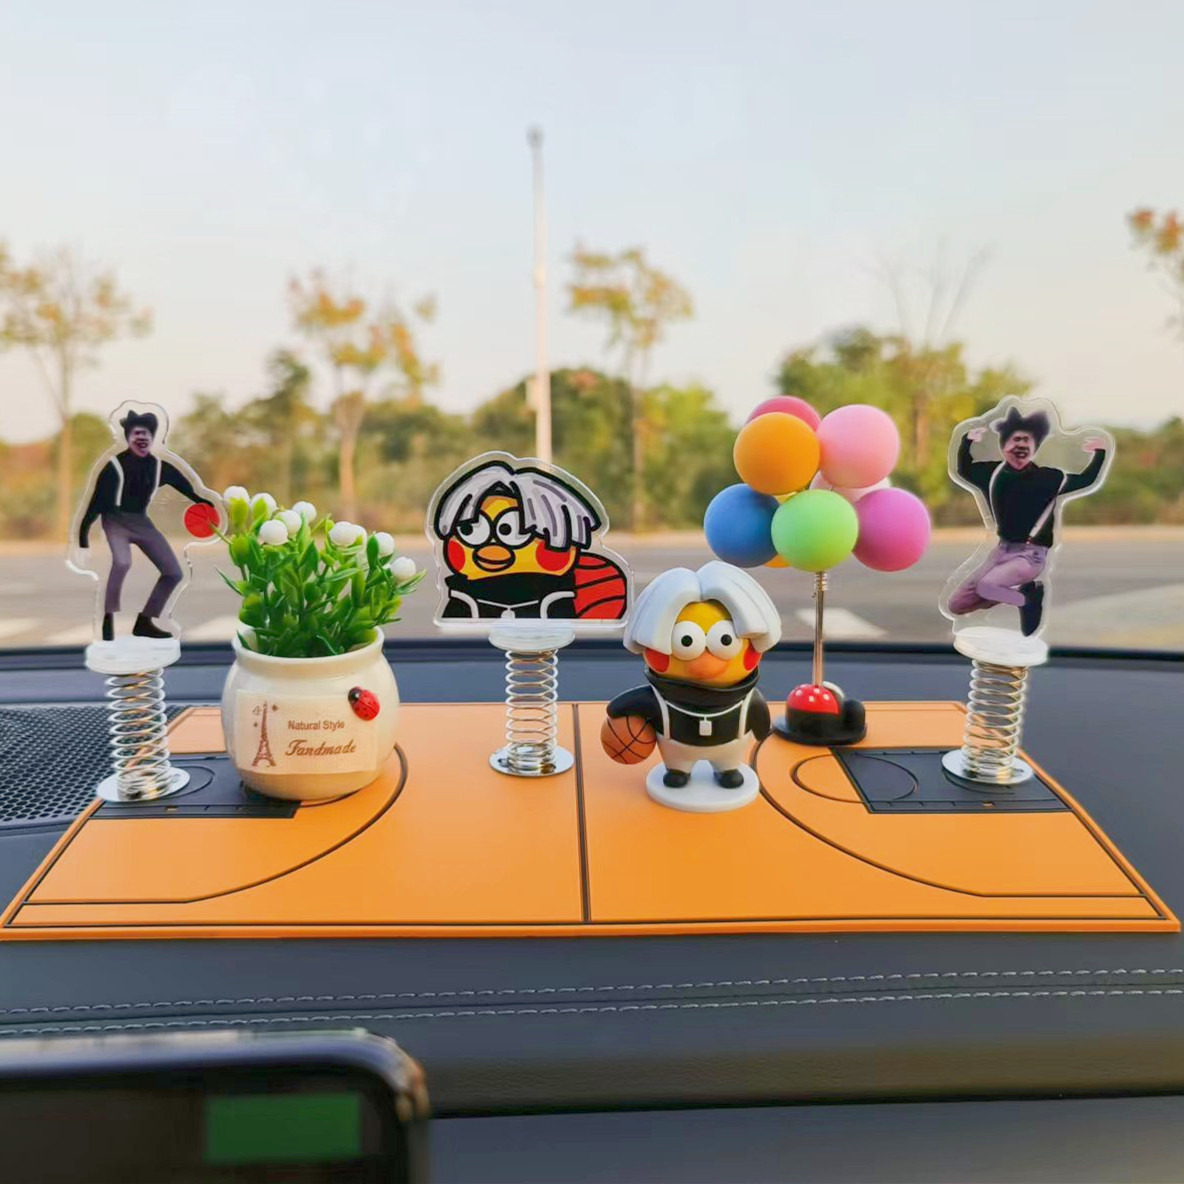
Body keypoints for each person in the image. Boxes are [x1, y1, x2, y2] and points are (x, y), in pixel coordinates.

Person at [606, 562, 780, 789]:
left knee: (729, 765)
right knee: (677, 768)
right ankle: (678, 770)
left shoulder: (748, 701)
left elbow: (761, 723)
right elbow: (621, 707)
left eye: (725, 641)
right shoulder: (657, 699)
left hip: (731, 745)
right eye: (686, 642)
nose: (705, 662)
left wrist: (762, 726)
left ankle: (728, 769)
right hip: (676, 748)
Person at [948, 405, 1107, 636]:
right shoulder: (993, 474)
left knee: (987, 586)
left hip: (1030, 555)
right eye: (1016, 439)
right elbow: (965, 469)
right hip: (1001, 551)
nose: (1021, 445)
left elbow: (1086, 479)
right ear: (1004, 445)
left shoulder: (1049, 478)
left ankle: (1026, 599)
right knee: (957, 605)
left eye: (1027, 441)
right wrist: (967, 441)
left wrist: (1099, 453)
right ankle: (1006, 590)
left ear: (1034, 448)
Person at [78, 410, 215, 641]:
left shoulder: (159, 467)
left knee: (173, 572)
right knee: (122, 562)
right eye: (136, 433)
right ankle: (108, 619)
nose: (141, 438)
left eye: (146, 434)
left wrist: (202, 502)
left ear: (152, 438)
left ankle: (145, 622)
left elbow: (184, 485)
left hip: (141, 521)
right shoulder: (114, 466)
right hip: (115, 519)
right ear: (128, 437)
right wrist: (82, 540)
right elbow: (95, 503)